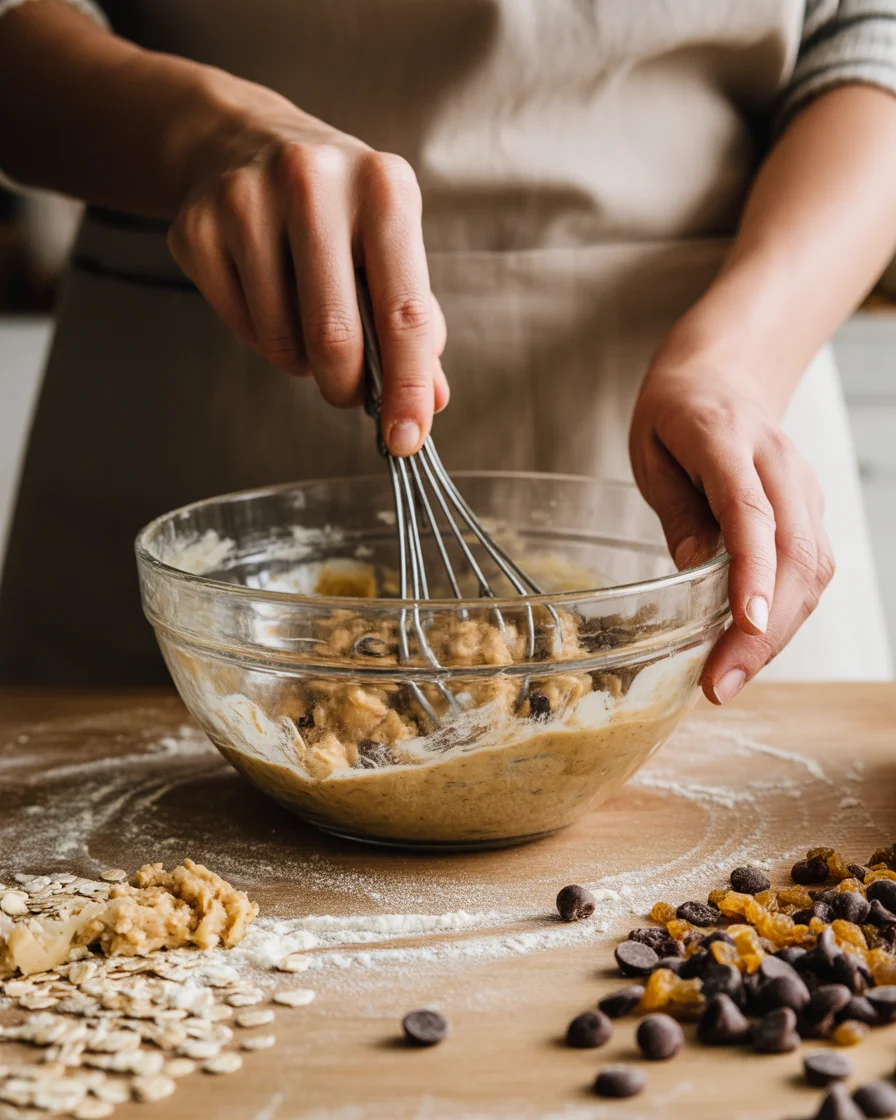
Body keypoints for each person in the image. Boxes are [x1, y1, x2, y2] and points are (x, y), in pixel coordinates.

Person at [0, 0, 893, 696]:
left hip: (729, 346)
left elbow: (873, 32)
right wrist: (204, 136)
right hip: (194, 397)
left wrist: (736, 361)